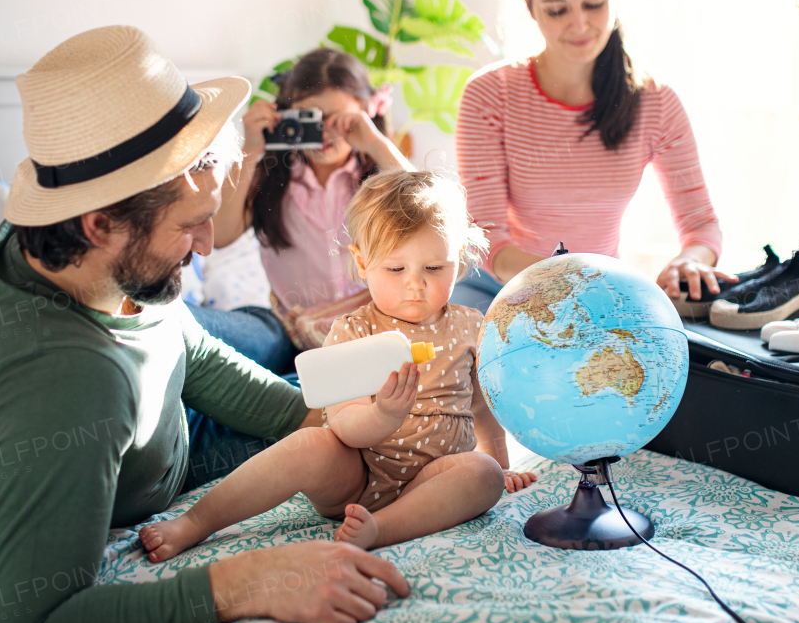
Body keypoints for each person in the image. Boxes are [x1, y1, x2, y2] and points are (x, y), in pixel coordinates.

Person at [0, 26, 408, 623]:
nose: (207, 246)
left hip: (163, 420)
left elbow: (184, 343)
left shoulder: (62, 234)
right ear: (98, 223)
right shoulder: (69, 389)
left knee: (352, 406)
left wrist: (306, 414)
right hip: (146, 459)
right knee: (347, 452)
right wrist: (241, 581)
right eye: (189, 226)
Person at [139, 170, 538, 562]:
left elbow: (482, 407)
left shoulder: (471, 325)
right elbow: (343, 425)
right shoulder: (354, 329)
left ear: (460, 261)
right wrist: (383, 414)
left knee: (481, 474)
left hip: (435, 480)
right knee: (309, 444)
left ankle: (380, 530)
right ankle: (194, 523)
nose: (415, 285)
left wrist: (501, 464)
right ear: (362, 263)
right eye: (396, 269)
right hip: (359, 478)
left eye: (434, 268)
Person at [453, 0, 732, 313]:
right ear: (528, 4)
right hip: (502, 291)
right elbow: (488, 241)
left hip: (598, 296)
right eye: (557, 9)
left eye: (594, 3)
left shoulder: (655, 102)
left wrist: (690, 259)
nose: (580, 24)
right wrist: (572, 281)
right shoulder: (490, 94)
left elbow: (702, 225)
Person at [194, 48, 413, 373]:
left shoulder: (380, 177)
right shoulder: (270, 178)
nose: (322, 132)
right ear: (285, 117)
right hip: (292, 335)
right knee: (206, 330)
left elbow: (428, 210)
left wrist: (376, 144)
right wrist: (251, 149)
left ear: (366, 111)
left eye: (336, 120)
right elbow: (222, 237)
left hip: (375, 326)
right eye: (309, 119)